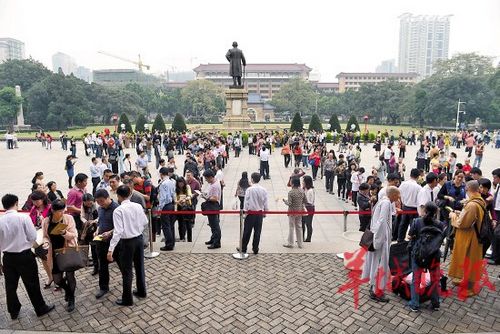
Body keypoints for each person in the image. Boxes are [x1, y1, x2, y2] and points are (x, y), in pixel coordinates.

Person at [0, 194, 55, 320]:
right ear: (16, 203)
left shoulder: (0, 221)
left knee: (10, 285)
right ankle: (40, 308)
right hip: (24, 255)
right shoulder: (23, 218)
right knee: (32, 283)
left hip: (8, 257)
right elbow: (32, 237)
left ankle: (13, 311)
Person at [107, 185, 148, 306]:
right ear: (130, 194)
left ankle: (127, 298)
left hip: (127, 242)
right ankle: (141, 291)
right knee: (140, 266)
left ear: (118, 196)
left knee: (127, 271)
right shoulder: (137, 206)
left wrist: (110, 249)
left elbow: (118, 231)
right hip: (138, 239)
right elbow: (145, 222)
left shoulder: (118, 210)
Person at [362, 186, 401, 302]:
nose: (398, 198)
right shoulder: (386, 203)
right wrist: (378, 241)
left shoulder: (384, 201)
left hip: (380, 239)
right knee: (379, 265)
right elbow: (382, 222)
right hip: (380, 240)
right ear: (392, 194)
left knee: (376, 264)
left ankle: (374, 287)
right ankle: (376, 291)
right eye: (397, 195)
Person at [448, 180, 486, 297]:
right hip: (472, 235)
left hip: (470, 238)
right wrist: (462, 213)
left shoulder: (472, 204)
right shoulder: (479, 200)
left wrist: (453, 216)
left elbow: (463, 224)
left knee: (470, 261)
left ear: (468, 189)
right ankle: (464, 280)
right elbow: (470, 218)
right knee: (466, 260)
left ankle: (471, 288)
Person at [42, 199, 78, 312]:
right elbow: (45, 236)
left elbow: (74, 235)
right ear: (52, 210)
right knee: (57, 279)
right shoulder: (46, 221)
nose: (62, 213)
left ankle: (72, 298)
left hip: (67, 251)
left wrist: (64, 233)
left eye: (63, 210)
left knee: (70, 276)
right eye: (59, 211)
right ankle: (68, 290)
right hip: (54, 253)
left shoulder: (68, 218)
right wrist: (46, 242)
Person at [407, 202, 444, 312]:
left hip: (418, 254)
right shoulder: (440, 224)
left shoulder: (417, 222)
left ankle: (414, 304)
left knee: (416, 279)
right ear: (435, 212)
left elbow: (409, 236)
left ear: (425, 210)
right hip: (434, 255)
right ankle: (435, 303)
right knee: (435, 280)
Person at [94, 189, 119, 299]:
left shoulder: (117, 209)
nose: (100, 204)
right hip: (102, 241)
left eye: (102, 201)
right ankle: (103, 287)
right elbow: (100, 222)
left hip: (116, 242)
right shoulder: (100, 209)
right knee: (102, 265)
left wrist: (110, 232)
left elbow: (120, 227)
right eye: (98, 202)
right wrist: (97, 230)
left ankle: (128, 285)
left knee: (122, 265)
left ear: (108, 197)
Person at [238, 172, 269, 254]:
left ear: (252, 179)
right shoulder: (263, 190)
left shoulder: (249, 189)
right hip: (259, 213)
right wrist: (265, 211)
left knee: (247, 231)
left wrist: (245, 212)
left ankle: (243, 247)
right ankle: (255, 248)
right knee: (257, 232)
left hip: (251, 213)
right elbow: (265, 202)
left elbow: (246, 202)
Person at [28, 191, 54, 288]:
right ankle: (50, 277)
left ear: (43, 199)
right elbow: (30, 222)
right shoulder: (33, 209)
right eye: (33, 201)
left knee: (50, 258)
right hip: (38, 236)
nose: (35, 203)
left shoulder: (50, 208)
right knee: (43, 258)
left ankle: (57, 278)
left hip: (49, 235)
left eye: (37, 201)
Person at [396, 168, 421, 243]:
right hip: (414, 208)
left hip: (405, 206)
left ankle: (400, 239)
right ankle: (412, 241)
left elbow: (398, 194)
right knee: (413, 226)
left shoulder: (403, 184)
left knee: (403, 224)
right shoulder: (418, 187)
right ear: (418, 176)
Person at [283, 177, 307, 248]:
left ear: (293, 183)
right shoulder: (302, 191)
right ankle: (300, 244)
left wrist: (285, 201)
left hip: (292, 211)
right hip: (299, 211)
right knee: (299, 227)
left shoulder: (291, 192)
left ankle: (290, 243)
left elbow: (289, 203)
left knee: (291, 227)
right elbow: (305, 201)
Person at [202, 169, 222, 249]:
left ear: (210, 177)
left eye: (206, 178)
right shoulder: (214, 182)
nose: (206, 180)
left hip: (213, 206)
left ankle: (216, 242)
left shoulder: (215, 186)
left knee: (215, 225)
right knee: (212, 225)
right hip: (212, 205)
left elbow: (215, 198)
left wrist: (206, 197)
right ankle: (213, 239)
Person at [80, 193, 99, 275]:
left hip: (97, 228)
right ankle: (96, 267)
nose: (89, 204)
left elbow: (100, 216)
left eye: (90, 203)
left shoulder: (96, 205)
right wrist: (86, 222)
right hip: (89, 229)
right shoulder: (83, 206)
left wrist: (94, 221)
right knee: (93, 248)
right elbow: (82, 216)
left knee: (97, 248)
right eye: (86, 203)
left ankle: (99, 265)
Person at [158, 167, 176, 251]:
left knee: (166, 226)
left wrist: (160, 208)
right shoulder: (171, 182)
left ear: (161, 174)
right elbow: (173, 194)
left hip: (165, 206)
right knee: (171, 225)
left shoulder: (163, 184)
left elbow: (163, 198)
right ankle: (172, 243)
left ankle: (168, 244)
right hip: (171, 205)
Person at [175, 176, 194, 242]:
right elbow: (175, 198)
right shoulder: (176, 189)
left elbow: (190, 195)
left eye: (182, 183)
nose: (181, 185)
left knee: (188, 224)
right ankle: (182, 238)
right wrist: (178, 202)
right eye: (179, 184)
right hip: (179, 207)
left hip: (187, 207)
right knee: (180, 224)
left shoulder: (187, 187)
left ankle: (189, 240)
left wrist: (185, 199)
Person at [302, 175, 315, 242]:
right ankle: (301, 237)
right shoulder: (303, 189)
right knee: (302, 223)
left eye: (303, 181)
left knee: (308, 223)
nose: (302, 183)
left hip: (309, 208)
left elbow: (310, 201)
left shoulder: (310, 191)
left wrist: (303, 201)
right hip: (303, 208)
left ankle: (308, 238)